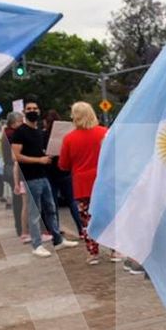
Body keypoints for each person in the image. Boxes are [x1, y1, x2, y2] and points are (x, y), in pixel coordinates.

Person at [12, 100, 75, 257]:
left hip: (43, 175)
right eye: (29, 109)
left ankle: (58, 239)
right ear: (24, 112)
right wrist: (39, 160)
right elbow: (16, 156)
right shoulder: (20, 132)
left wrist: (47, 155)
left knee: (51, 209)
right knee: (35, 213)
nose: (32, 111)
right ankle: (37, 244)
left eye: (35, 108)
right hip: (31, 177)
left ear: (39, 111)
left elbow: (38, 152)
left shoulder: (39, 132)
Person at [58, 102, 111, 264]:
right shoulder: (104, 133)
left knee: (88, 220)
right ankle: (115, 251)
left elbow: (63, 165)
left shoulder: (69, 138)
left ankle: (93, 253)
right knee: (109, 217)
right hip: (104, 182)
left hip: (82, 185)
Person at [44, 108, 83, 241]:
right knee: (72, 201)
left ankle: (56, 230)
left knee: (52, 203)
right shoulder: (66, 135)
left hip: (49, 172)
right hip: (65, 171)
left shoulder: (44, 136)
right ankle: (81, 229)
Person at [1, 111, 27, 240]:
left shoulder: (6, 133)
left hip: (9, 168)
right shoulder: (12, 135)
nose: (22, 124)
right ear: (13, 123)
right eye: (20, 122)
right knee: (20, 201)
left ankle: (21, 227)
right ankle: (21, 228)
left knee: (19, 200)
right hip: (14, 169)